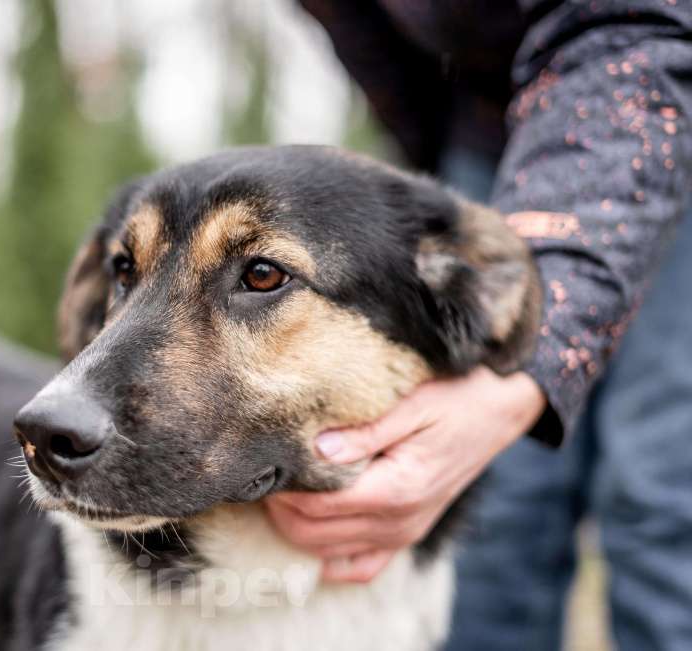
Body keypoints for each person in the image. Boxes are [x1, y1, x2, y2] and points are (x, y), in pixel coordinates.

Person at [265, 1, 692, 648]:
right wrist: (424, 205)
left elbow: (640, 26)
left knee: (658, 482)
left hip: (664, 92)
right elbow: (374, 43)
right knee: (494, 504)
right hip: (492, 130)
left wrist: (533, 357)